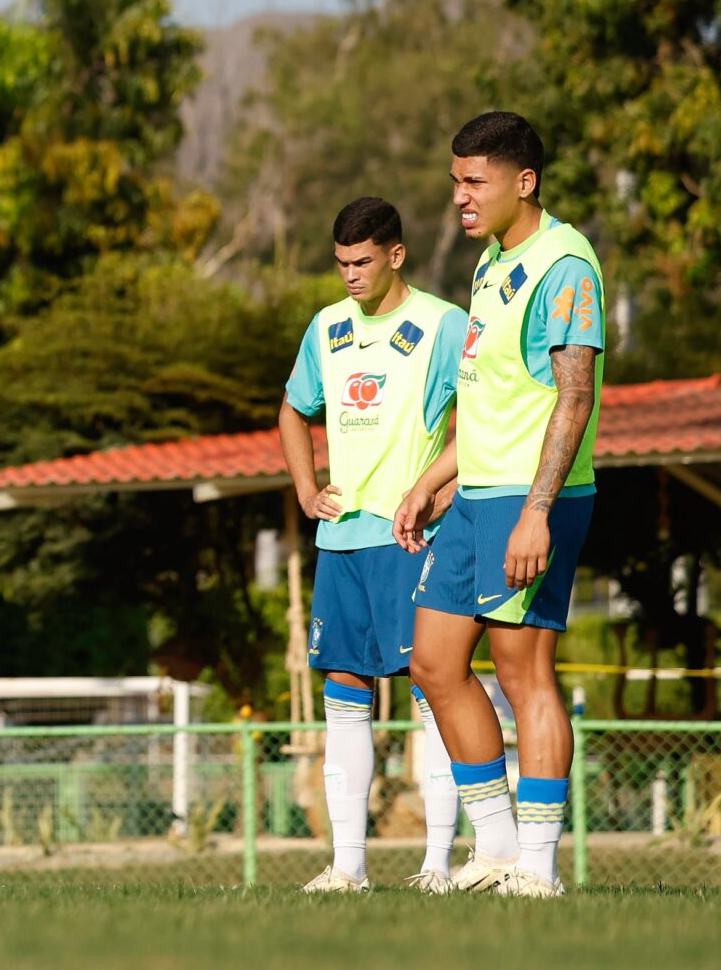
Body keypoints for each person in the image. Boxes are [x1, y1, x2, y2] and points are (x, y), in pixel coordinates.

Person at [396, 111, 607, 898]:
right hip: (476, 495)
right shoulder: (490, 263)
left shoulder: (566, 263)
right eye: (455, 179)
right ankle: (494, 848)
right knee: (434, 665)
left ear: (525, 181)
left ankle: (540, 869)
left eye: (473, 179)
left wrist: (536, 512)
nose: (459, 194)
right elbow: (494, 400)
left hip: (533, 499)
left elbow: (574, 398)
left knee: (525, 675)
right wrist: (431, 480)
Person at [276, 196, 465, 893]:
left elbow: (482, 419)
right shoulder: (326, 327)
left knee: (434, 694)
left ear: (396, 254)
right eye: (340, 264)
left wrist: (441, 491)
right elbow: (293, 408)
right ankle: (348, 865)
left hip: (411, 540)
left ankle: (439, 864)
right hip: (341, 542)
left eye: (361, 261)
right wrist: (305, 489)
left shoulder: (444, 324)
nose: (350, 275)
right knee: (343, 696)